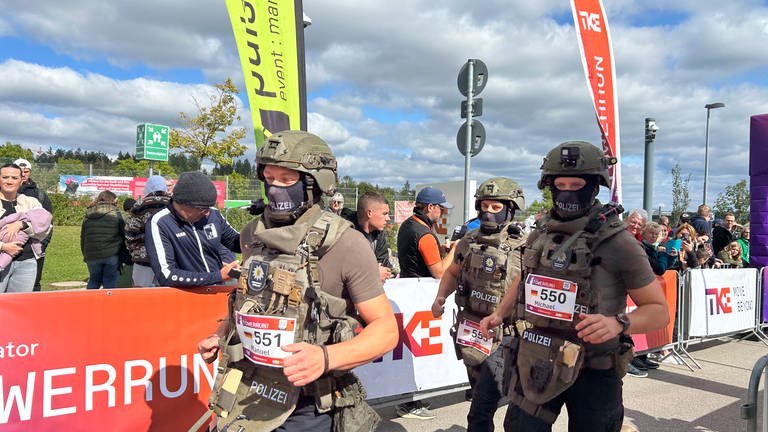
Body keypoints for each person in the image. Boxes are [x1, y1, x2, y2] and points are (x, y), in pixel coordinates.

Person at [196, 130, 397, 431]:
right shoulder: (253, 234)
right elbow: (253, 298)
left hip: (307, 406)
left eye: (287, 180)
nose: (275, 187)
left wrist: (326, 357)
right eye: (269, 177)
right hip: (246, 389)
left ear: (314, 184)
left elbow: (386, 330)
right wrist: (222, 332)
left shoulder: (346, 243)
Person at [479, 140, 669, 432]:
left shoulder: (618, 242)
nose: (567, 190)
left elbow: (658, 311)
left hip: (595, 368)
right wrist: (500, 314)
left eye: (577, 183)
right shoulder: (541, 232)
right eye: (560, 183)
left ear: (595, 186)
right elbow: (526, 277)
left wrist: (619, 323)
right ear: (549, 185)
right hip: (538, 358)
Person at [431, 177, 527, 431]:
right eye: (485, 206)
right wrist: (441, 297)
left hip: (505, 338)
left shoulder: (524, 246)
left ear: (510, 209)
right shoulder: (469, 241)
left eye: (496, 208)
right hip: (472, 331)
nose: (488, 212)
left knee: (482, 409)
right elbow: (452, 271)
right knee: (479, 398)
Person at [145, 171, 241, 287]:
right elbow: (167, 275)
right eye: (202, 208)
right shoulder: (160, 222)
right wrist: (217, 276)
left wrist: (260, 228)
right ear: (182, 203)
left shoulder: (213, 215)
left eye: (209, 207)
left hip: (216, 293)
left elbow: (236, 242)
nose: (207, 213)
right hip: (184, 298)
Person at [0, 163, 52, 293]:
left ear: (21, 180)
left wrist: (22, 224)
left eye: (14, 178)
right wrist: (3, 247)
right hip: (2, 260)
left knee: (19, 306)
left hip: (27, 262)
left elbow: (45, 228)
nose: (9, 181)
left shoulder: (31, 202)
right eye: (5, 177)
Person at [397, 186, 456, 279]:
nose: (444, 212)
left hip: (407, 284)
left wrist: (439, 250)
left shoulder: (408, 224)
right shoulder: (425, 236)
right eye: (442, 208)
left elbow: (415, 258)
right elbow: (439, 273)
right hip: (421, 289)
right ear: (430, 207)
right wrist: (455, 249)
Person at [14, 158, 53, 292]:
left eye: (26, 171)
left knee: (35, 284)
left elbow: (48, 223)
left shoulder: (39, 195)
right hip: (6, 247)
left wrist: (42, 245)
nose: (23, 174)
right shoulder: (5, 193)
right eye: (20, 171)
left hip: (33, 249)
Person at [124, 175, 171, 287]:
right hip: (167, 259)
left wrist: (133, 250)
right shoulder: (174, 205)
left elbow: (129, 232)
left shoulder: (139, 206)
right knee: (164, 294)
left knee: (141, 295)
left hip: (143, 258)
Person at [81, 190, 125, 289]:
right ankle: (108, 304)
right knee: (110, 282)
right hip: (112, 253)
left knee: (94, 280)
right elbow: (124, 233)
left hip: (91, 254)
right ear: (113, 200)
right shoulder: (117, 213)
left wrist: (85, 254)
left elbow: (83, 237)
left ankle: (91, 303)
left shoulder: (88, 214)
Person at [346, 191, 394, 282]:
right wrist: (373, 273)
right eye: (384, 214)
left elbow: (384, 263)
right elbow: (343, 268)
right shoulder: (346, 233)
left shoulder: (378, 233)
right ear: (369, 213)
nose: (388, 218)